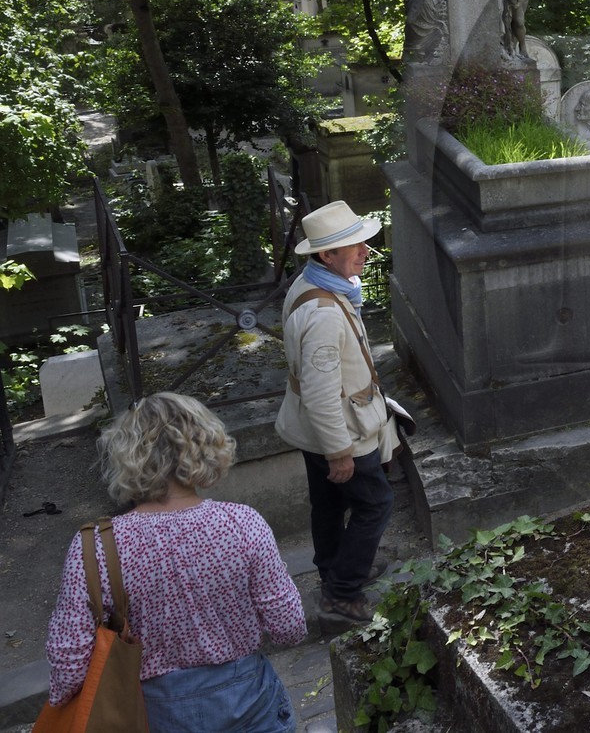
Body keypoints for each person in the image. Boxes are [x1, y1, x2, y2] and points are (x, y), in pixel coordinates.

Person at [45, 392, 306, 731]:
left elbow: (69, 665)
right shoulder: (243, 524)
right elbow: (290, 629)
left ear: (126, 456)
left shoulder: (95, 547)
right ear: (206, 446)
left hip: (152, 714)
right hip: (250, 705)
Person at [277, 200, 397, 624]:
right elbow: (322, 394)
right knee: (375, 505)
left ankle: (337, 569)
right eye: (356, 246)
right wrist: (339, 451)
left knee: (327, 504)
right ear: (327, 255)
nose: (366, 251)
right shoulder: (324, 313)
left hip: (312, 430)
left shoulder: (309, 285)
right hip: (339, 432)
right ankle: (342, 592)